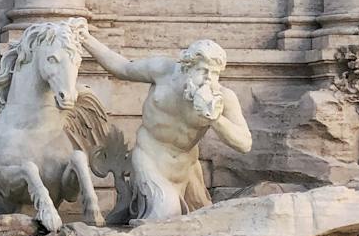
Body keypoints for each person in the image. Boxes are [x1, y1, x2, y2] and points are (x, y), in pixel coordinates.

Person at [81, 32, 252, 221]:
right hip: (150, 157)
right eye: (203, 70)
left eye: (215, 74)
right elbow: (123, 68)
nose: (208, 79)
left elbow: (244, 144)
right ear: (188, 66)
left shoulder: (222, 98)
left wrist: (215, 118)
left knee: (200, 222)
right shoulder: (162, 71)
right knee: (167, 215)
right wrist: (86, 39)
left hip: (186, 168)